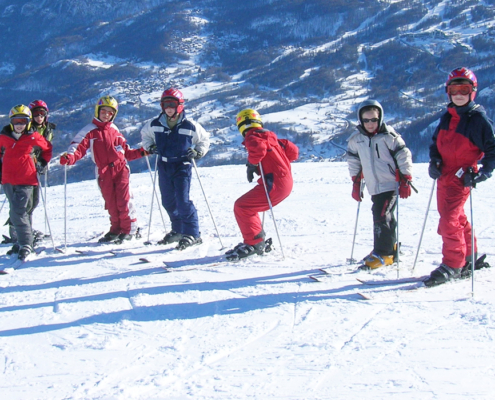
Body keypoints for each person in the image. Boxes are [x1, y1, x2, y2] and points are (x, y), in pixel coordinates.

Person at [425, 67, 495, 287]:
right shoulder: (449, 115)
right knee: (455, 217)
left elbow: (492, 149)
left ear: (472, 91)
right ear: (448, 92)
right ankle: (468, 256)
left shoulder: (477, 120)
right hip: (444, 176)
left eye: (464, 89)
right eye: (454, 89)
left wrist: (483, 172)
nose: (459, 94)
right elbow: (436, 143)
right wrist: (435, 161)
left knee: (449, 221)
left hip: (461, 177)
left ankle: (453, 264)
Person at [60, 96, 147, 244]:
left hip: (120, 169)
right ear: (97, 111)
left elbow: (126, 151)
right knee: (110, 202)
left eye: (110, 112)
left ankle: (129, 229)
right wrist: (70, 157)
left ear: (114, 115)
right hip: (104, 171)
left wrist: (143, 152)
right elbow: (78, 147)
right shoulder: (90, 131)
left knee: (124, 200)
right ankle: (116, 228)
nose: (106, 115)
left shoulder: (114, 129)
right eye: (104, 111)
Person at [347, 99, 413, 270]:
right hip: (373, 185)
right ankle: (385, 249)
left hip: (390, 184)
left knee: (382, 214)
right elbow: (354, 161)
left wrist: (405, 177)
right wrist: (356, 182)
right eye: (366, 120)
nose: (370, 124)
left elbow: (403, 154)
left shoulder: (388, 136)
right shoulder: (357, 140)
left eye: (374, 120)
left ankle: (385, 253)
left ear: (380, 118)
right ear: (361, 120)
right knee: (381, 215)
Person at [140, 88, 210, 250]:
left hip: (182, 165)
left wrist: (198, 152)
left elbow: (204, 139)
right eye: (165, 104)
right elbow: (145, 135)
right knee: (168, 201)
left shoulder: (190, 125)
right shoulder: (155, 124)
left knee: (182, 201)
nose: (168, 108)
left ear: (180, 105)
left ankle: (192, 233)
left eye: (172, 104)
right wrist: (150, 146)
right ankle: (178, 229)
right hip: (164, 165)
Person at [226, 108, 299, 261]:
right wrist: (275, 162)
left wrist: (252, 163)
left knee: (243, 207)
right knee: (248, 207)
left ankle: (255, 243)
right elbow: (293, 152)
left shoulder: (253, 137)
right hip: (283, 181)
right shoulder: (272, 138)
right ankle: (255, 239)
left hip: (275, 184)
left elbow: (258, 149)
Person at [0, 105, 52, 260]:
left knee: (18, 211)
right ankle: (21, 241)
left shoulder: (33, 136)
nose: (19, 124)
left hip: (27, 179)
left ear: (28, 122)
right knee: (18, 211)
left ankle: (26, 243)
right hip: (8, 180)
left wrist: (42, 162)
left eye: (23, 121)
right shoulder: (4, 136)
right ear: (11, 122)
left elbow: (47, 148)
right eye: (16, 121)